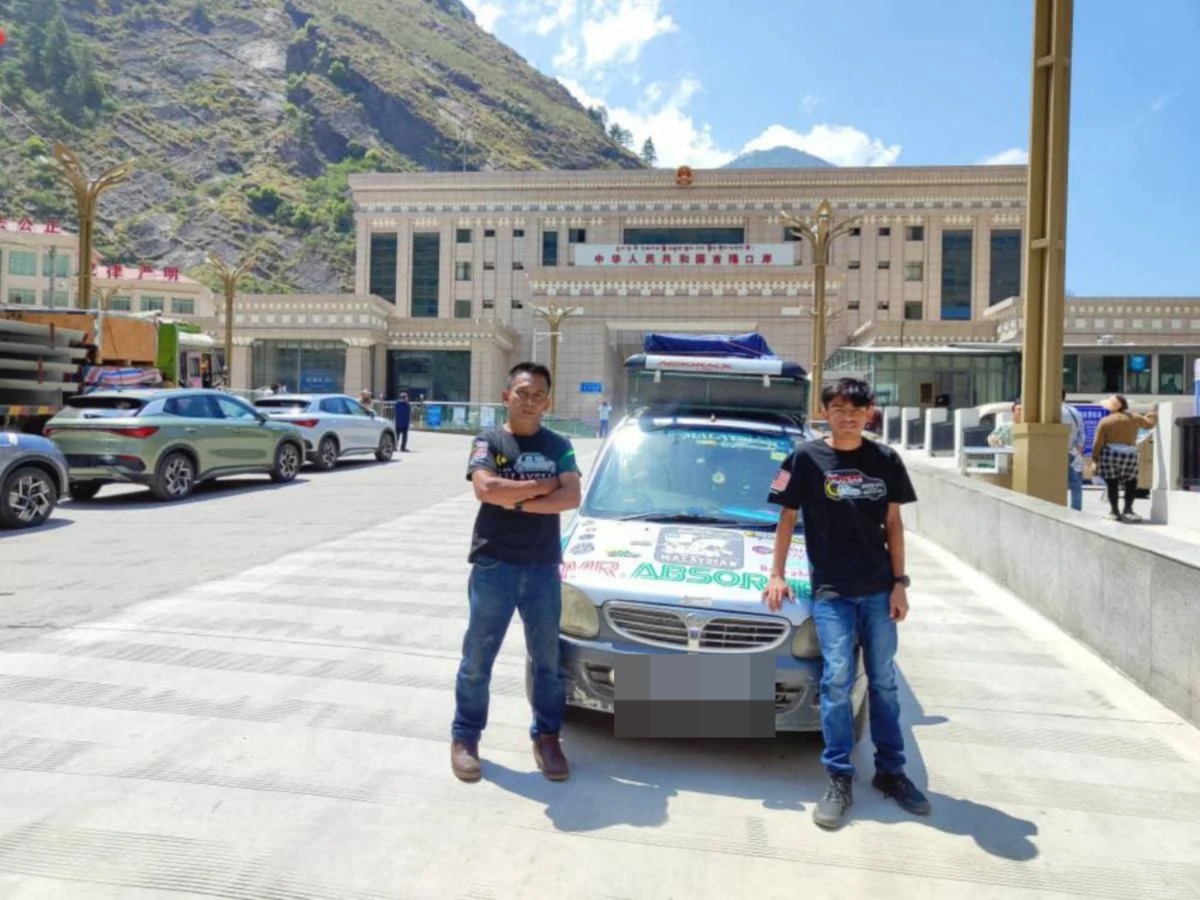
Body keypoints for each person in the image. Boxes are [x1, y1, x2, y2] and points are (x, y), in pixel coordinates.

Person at [763, 377, 929, 830]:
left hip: (878, 590)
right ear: (826, 412)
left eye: (856, 407)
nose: (847, 414)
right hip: (832, 592)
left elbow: (894, 525)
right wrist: (776, 572)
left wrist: (900, 583)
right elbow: (786, 518)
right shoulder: (804, 458)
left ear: (869, 412)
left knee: (884, 683)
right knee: (836, 681)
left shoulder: (886, 460)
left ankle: (892, 773)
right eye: (837, 406)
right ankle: (839, 776)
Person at [451, 362, 583, 783]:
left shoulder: (559, 444)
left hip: (542, 566)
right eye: (522, 393)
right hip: (494, 564)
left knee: (547, 659)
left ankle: (547, 737)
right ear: (506, 396)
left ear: (548, 401)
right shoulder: (488, 440)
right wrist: (542, 487)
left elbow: (572, 496)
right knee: (478, 657)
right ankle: (465, 737)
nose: (530, 401)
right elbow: (485, 489)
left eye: (538, 394)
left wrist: (517, 500)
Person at [1091, 394, 1156, 523]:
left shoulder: (1106, 421)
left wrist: (1094, 460)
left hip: (1110, 455)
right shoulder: (1135, 418)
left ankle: (1114, 511)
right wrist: (1152, 414)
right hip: (1130, 454)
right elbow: (1149, 425)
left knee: (1112, 483)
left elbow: (1098, 443)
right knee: (1131, 483)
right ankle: (1128, 510)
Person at [1062, 391, 1085, 511]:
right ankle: (1076, 510)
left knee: (1056, 483)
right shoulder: (1074, 412)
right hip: (1072, 451)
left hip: (1053, 452)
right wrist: (1079, 448)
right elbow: (1081, 433)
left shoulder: (1050, 411)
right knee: (1076, 484)